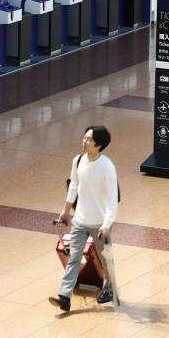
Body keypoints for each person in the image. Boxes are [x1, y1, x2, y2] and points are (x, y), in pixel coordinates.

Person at [49, 126, 119, 312]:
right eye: (84, 137)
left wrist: (107, 224)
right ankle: (64, 297)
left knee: (106, 258)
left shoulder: (107, 167)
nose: (84, 141)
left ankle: (110, 288)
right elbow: (74, 186)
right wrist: (65, 211)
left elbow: (113, 199)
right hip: (80, 220)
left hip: (100, 222)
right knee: (74, 257)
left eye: (89, 139)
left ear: (99, 145)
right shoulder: (78, 160)